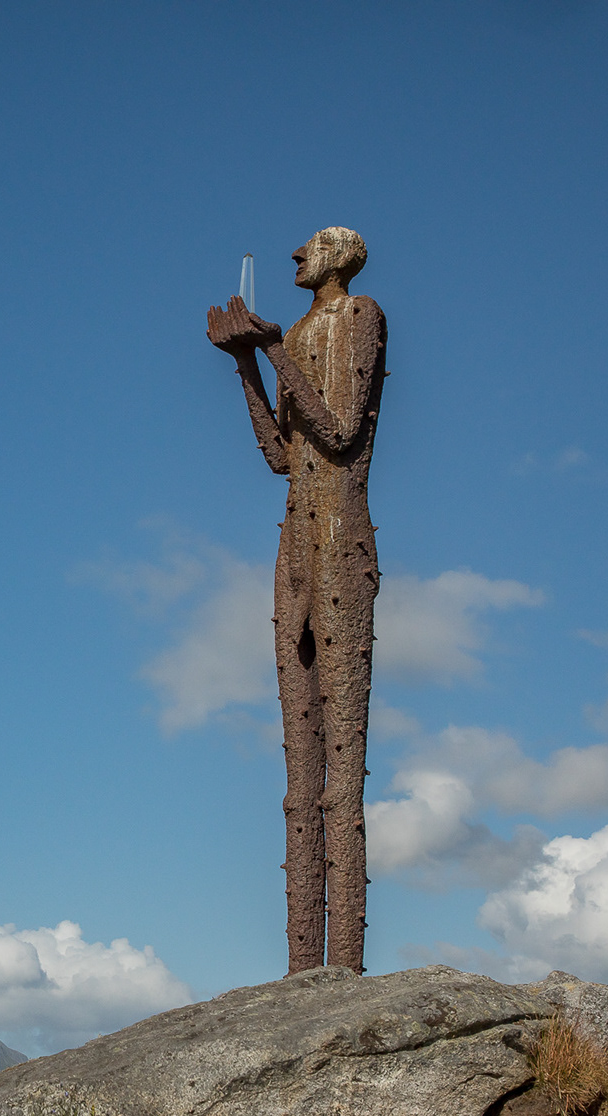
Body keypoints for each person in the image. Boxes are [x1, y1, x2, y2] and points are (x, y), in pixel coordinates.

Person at [206, 227, 386, 974]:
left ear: (341, 258)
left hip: (340, 540)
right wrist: (247, 364)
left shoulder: (358, 318)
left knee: (340, 773)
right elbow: (284, 454)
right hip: (293, 546)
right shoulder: (303, 331)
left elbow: (340, 432)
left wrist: (275, 350)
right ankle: (298, 977)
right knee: (297, 774)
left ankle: (341, 972)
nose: (294, 256)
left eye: (311, 245)